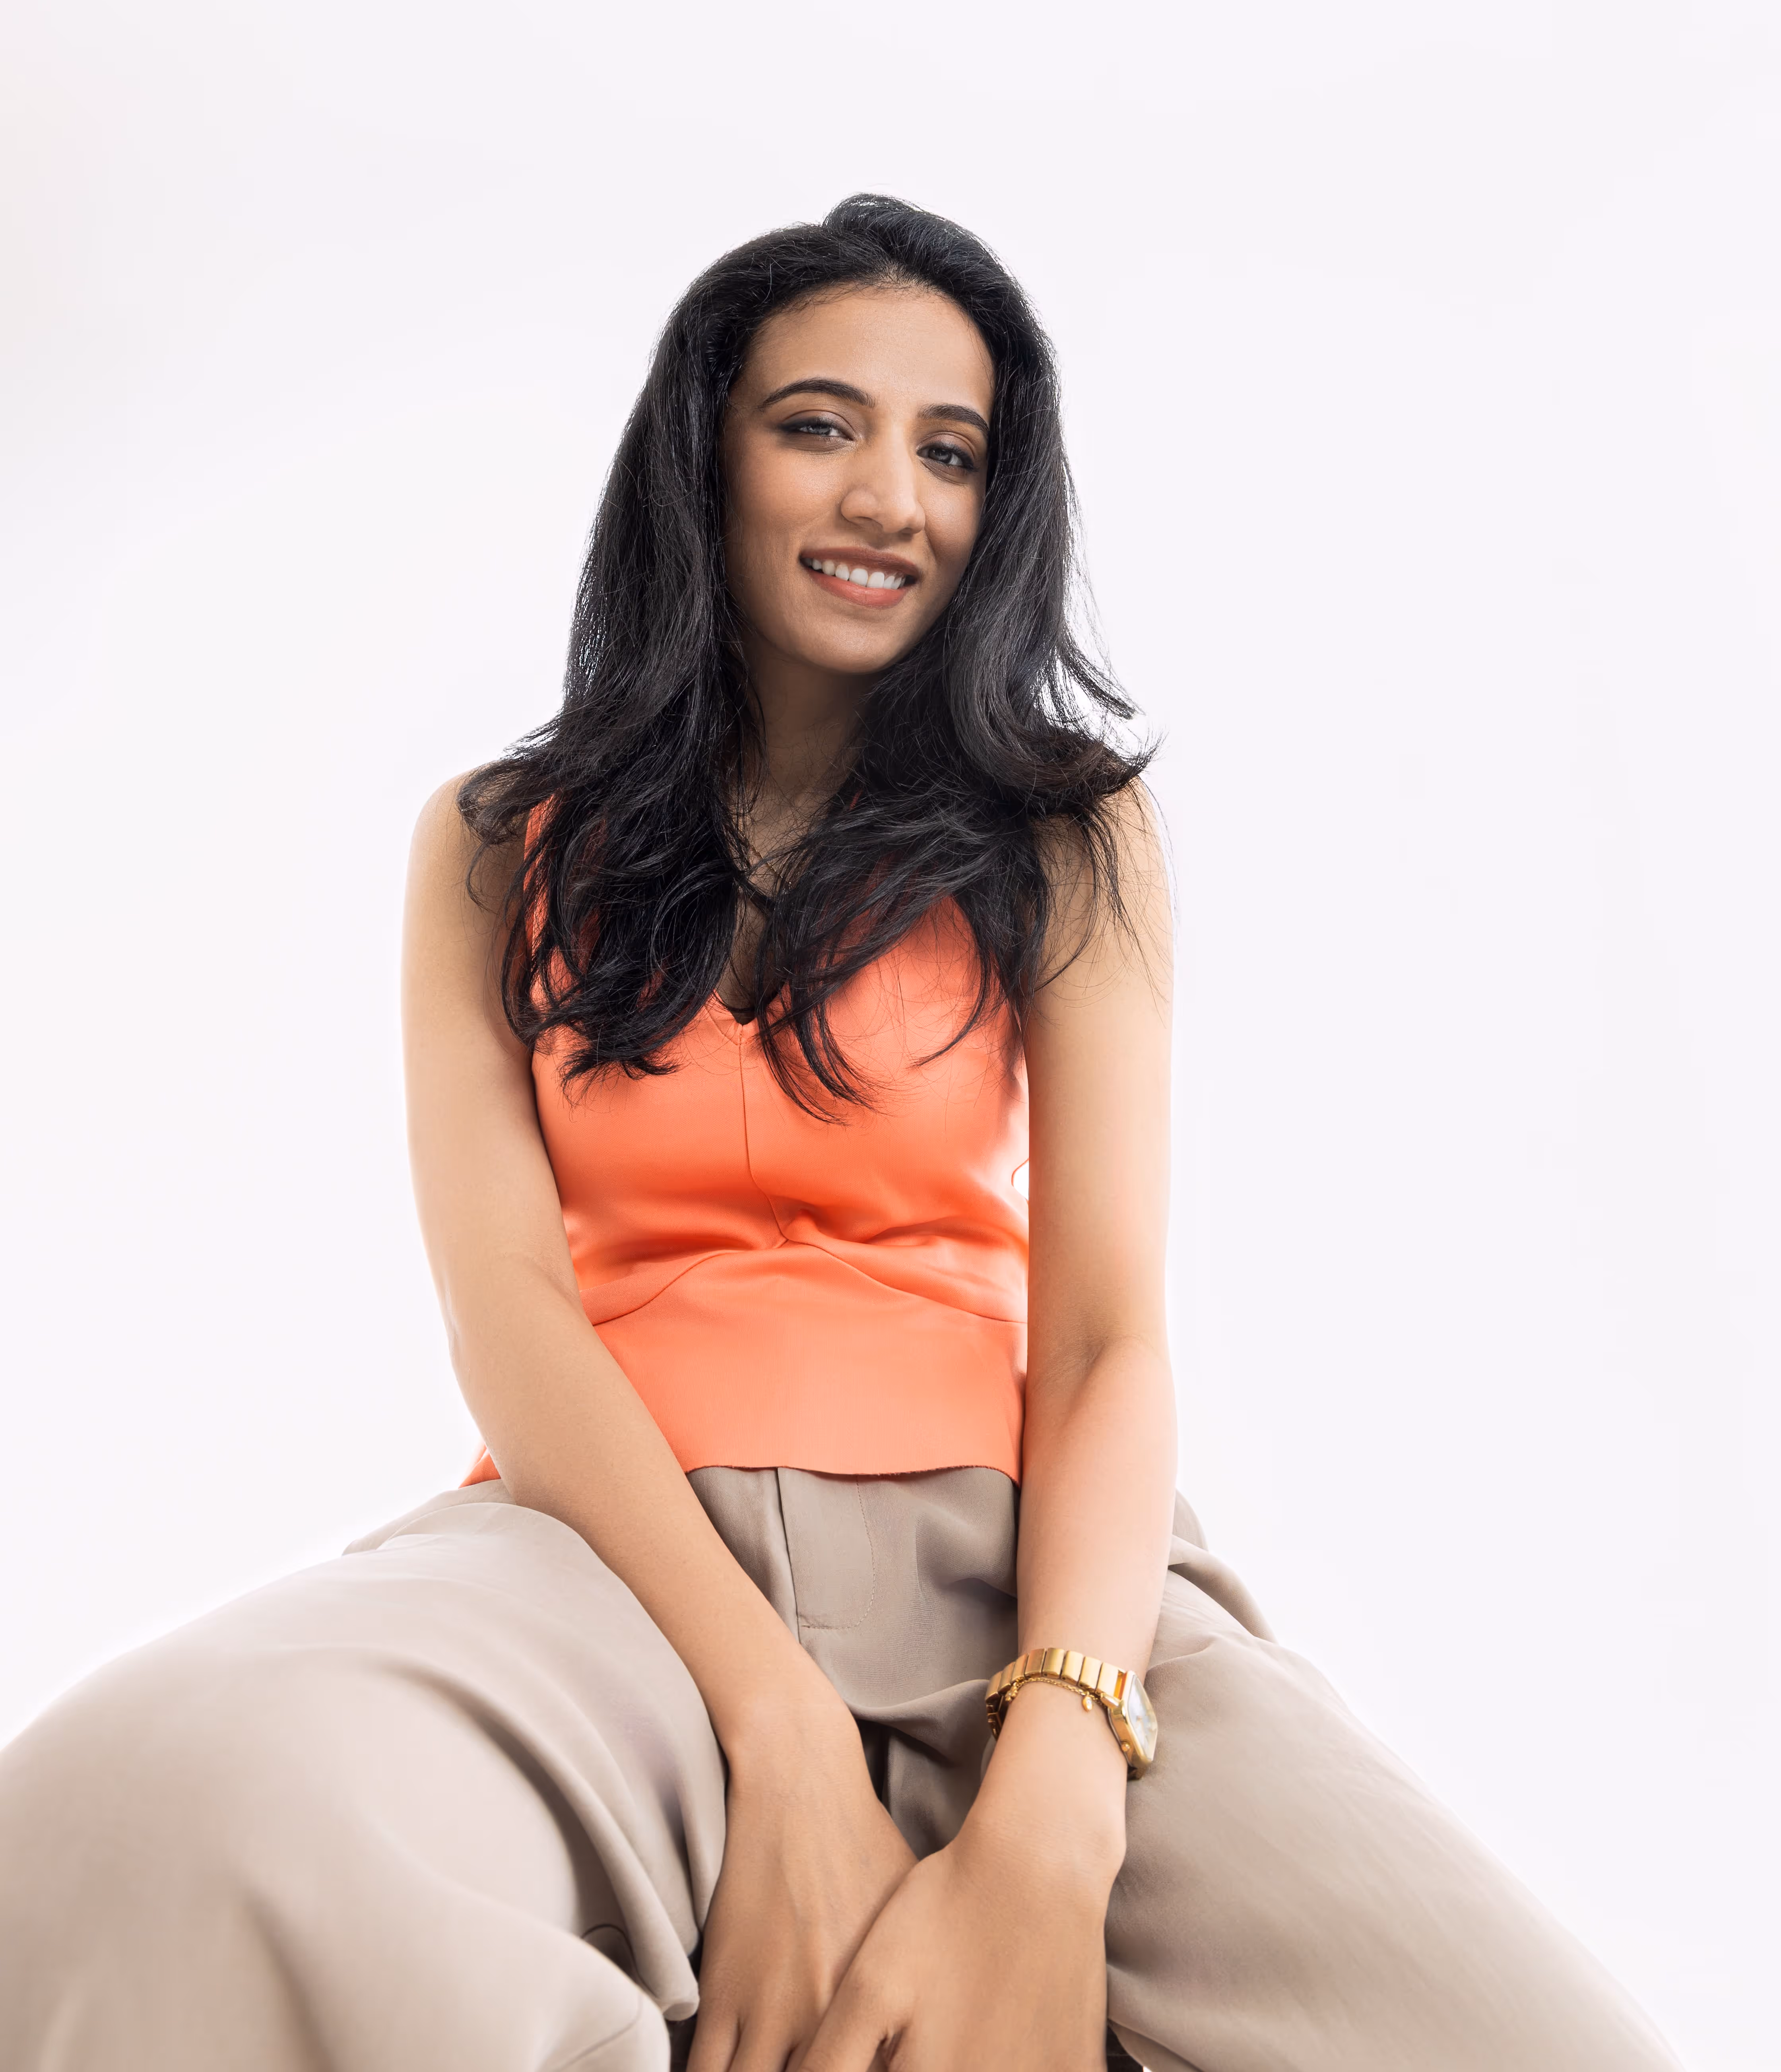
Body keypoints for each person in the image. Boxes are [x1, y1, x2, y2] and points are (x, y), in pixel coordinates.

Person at [0, 196, 1682, 2072]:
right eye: (819, 423)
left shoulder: (1067, 837)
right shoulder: (491, 842)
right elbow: (511, 1316)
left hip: (1027, 1576)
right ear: (702, 449)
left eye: (949, 451)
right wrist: (778, 1727)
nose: (892, 494)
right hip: (606, 1563)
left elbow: (1111, 1334)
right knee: (129, 1804)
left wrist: (1056, 1794)